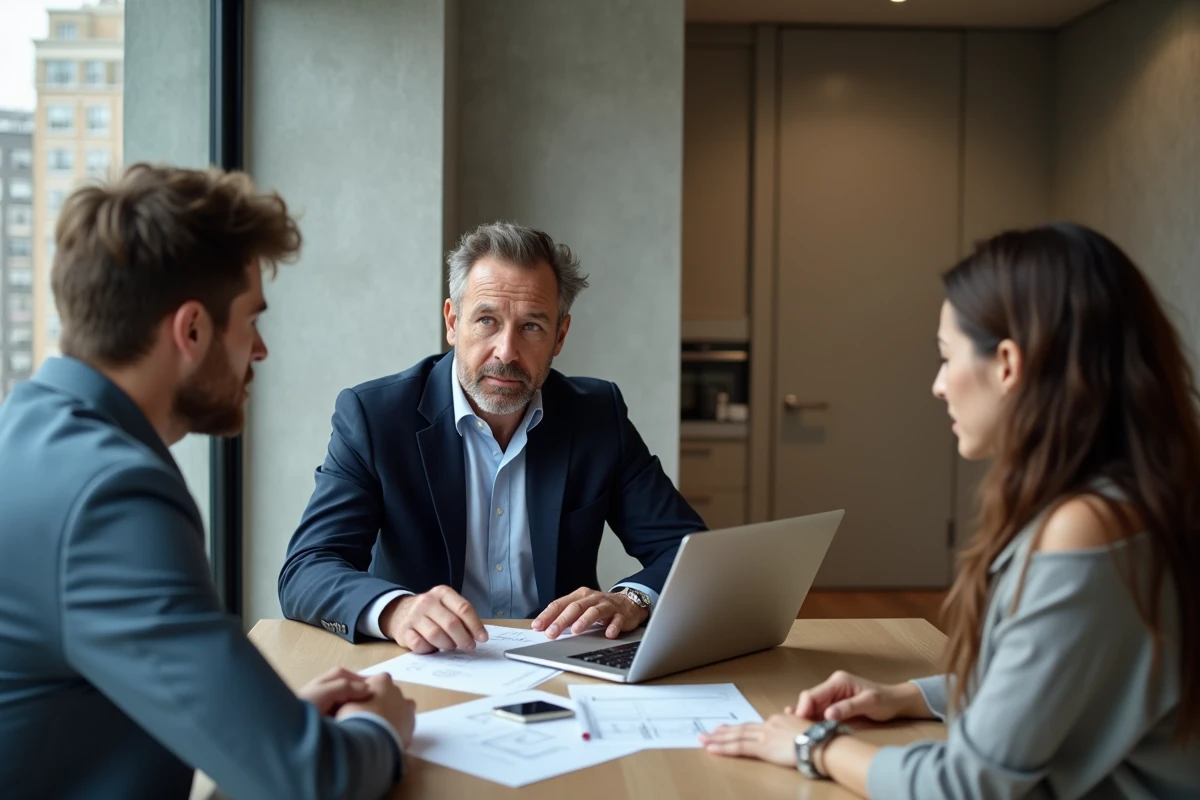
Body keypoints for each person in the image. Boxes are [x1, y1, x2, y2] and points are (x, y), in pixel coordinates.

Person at [699, 223, 1200, 797]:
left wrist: (813, 746)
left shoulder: (1084, 527)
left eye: (946, 356)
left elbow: (967, 786)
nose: (938, 386)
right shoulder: (1138, 498)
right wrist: (907, 695)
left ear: (1008, 363)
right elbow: (1058, 679)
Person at [0, 164, 416, 799]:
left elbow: (81, 696)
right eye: (252, 319)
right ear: (191, 330)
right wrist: (378, 727)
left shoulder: (29, 435)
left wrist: (267, 722)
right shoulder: (110, 499)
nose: (261, 350)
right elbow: (312, 781)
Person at [278, 221, 705, 653]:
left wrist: (632, 598)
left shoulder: (596, 415)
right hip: (426, 664)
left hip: (559, 659)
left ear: (560, 336)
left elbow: (688, 552)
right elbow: (307, 569)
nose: (506, 352)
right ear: (452, 321)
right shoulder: (375, 418)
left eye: (532, 327)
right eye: (487, 320)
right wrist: (397, 611)